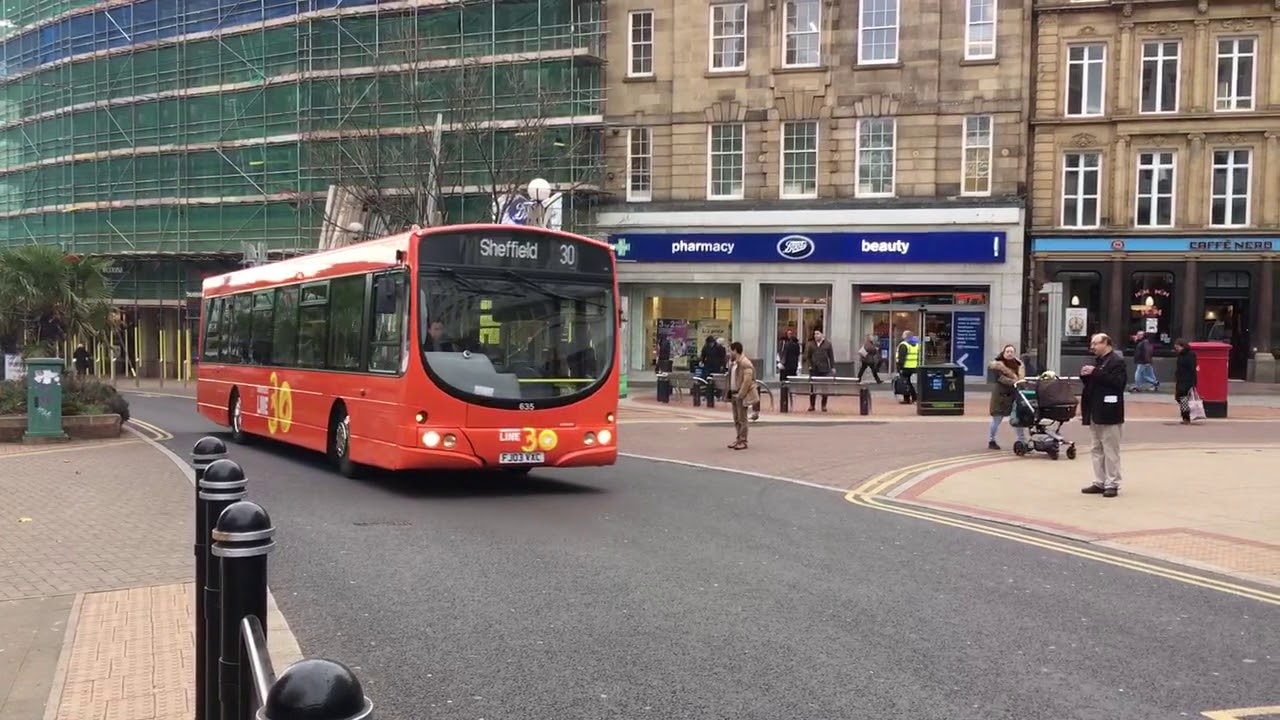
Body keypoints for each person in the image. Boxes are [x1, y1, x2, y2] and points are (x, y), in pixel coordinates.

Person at [1080, 332, 1127, 497]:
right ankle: (1100, 481)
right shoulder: (1099, 362)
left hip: (1109, 413)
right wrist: (1086, 376)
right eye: (1092, 344)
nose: (1092, 347)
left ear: (1106, 343)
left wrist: (1095, 373)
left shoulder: (1117, 361)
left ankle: (1112, 483)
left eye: (1095, 343)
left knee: (1110, 449)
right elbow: (1096, 384)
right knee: (1096, 448)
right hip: (1095, 412)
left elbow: (1117, 384)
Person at [987, 344, 1027, 450]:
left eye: (1011, 352)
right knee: (997, 419)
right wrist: (1015, 381)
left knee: (1017, 418)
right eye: (1007, 352)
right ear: (1003, 353)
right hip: (1001, 397)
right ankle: (992, 440)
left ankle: (1022, 440)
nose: (1009, 354)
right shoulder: (997, 365)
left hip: (1015, 395)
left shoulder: (1019, 365)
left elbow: (1023, 378)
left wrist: (1021, 383)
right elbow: (1000, 378)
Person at [725, 341, 759, 450]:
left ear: (735, 351)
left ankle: (743, 440)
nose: (729, 353)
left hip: (740, 394)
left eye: (730, 351)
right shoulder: (734, 363)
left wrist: (741, 394)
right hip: (734, 393)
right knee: (736, 418)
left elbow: (747, 380)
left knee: (742, 418)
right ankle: (738, 438)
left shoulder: (745, 363)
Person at [803, 328, 836, 412]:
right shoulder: (811, 344)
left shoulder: (828, 344)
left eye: (817, 334)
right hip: (814, 369)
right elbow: (808, 357)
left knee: (824, 388)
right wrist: (809, 365)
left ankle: (823, 405)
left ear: (822, 335)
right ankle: (812, 405)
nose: (816, 336)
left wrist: (832, 367)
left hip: (824, 369)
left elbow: (831, 357)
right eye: (815, 334)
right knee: (812, 388)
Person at [1173, 338, 1198, 425]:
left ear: (1182, 346)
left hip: (1187, 380)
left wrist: (1193, 382)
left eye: (1177, 347)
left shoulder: (1191, 354)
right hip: (1180, 379)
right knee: (1179, 398)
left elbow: (1192, 369)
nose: (1176, 349)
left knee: (1183, 398)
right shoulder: (1180, 355)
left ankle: (1186, 417)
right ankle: (1186, 415)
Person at [895, 330, 920, 404]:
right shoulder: (916, 344)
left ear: (906, 336)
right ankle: (913, 398)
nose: (902, 336)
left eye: (903, 335)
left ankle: (908, 399)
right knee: (909, 383)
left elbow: (901, 358)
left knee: (905, 383)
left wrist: (899, 368)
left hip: (905, 367)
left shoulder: (904, 345)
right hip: (914, 367)